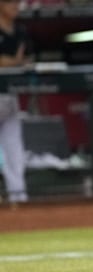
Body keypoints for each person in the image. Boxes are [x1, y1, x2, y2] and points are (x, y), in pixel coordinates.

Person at [0, 0, 31, 204]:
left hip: (9, 94)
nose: (16, 6)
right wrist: (14, 61)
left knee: (14, 147)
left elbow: (25, 59)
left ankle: (18, 195)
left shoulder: (19, 30)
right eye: (10, 2)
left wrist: (11, 62)